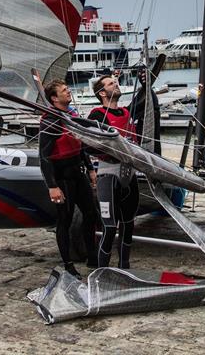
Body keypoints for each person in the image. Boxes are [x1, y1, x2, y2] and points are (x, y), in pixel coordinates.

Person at [39, 79, 98, 278]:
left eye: (67, 89)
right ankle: (68, 264)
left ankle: (93, 256)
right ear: (54, 98)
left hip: (78, 171)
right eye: (64, 90)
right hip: (62, 176)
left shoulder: (72, 114)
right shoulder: (51, 120)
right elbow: (44, 157)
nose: (68, 91)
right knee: (64, 219)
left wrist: (90, 168)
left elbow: (80, 144)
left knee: (91, 213)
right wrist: (52, 186)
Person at [87, 74, 140, 269]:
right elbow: (87, 146)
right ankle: (102, 273)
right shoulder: (96, 115)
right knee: (110, 228)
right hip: (108, 176)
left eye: (115, 82)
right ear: (102, 93)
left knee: (129, 225)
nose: (115, 84)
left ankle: (124, 269)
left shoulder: (127, 112)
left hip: (130, 175)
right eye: (111, 83)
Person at [128, 66, 161, 155]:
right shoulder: (98, 114)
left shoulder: (125, 110)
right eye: (111, 83)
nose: (116, 83)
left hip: (148, 144)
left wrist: (146, 86)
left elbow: (153, 108)